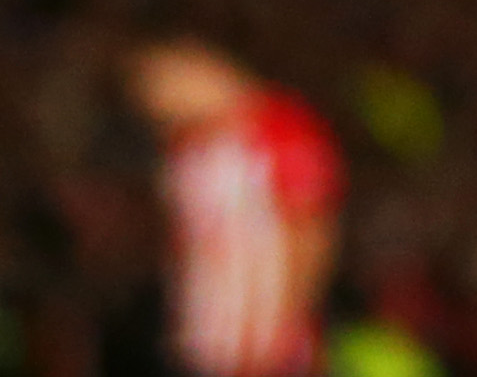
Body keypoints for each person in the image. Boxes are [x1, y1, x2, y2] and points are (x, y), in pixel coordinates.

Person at [126, 44, 340, 377]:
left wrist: (286, 323)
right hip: (205, 339)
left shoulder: (278, 128)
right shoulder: (186, 145)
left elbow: (310, 231)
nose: (160, 105)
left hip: (261, 343)